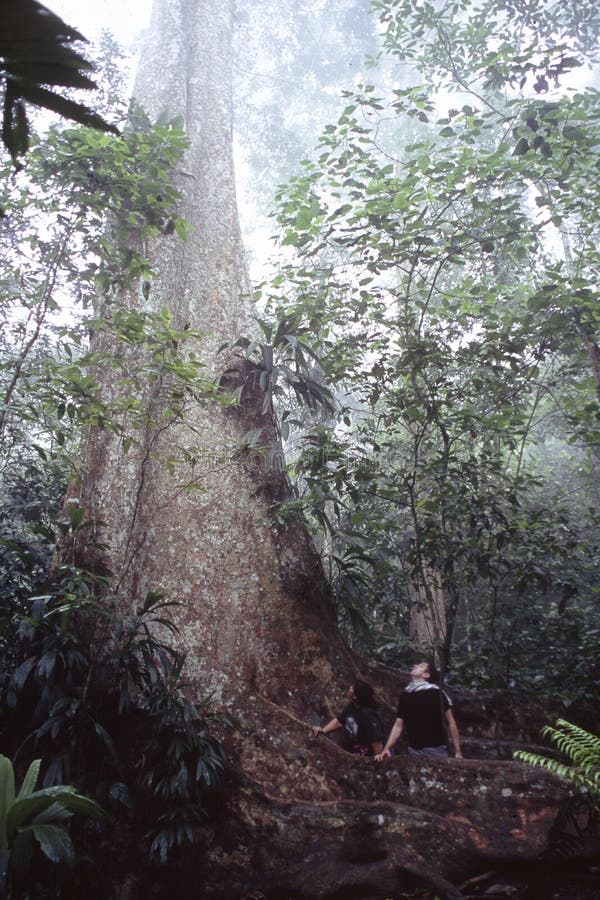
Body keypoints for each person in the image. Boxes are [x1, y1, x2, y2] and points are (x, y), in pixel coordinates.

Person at [375, 660, 463, 762]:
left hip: (436, 749)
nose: (415, 665)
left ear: (426, 674)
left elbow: (451, 722)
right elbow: (398, 725)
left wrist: (458, 751)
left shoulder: (436, 693)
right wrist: (386, 748)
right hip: (413, 750)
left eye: (421, 666)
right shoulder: (406, 694)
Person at [312, 680, 384, 756]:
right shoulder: (352, 706)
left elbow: (376, 741)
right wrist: (323, 730)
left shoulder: (368, 715)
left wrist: (378, 760)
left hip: (366, 752)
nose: (349, 688)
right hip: (353, 747)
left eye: (352, 688)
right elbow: (339, 721)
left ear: (355, 696)